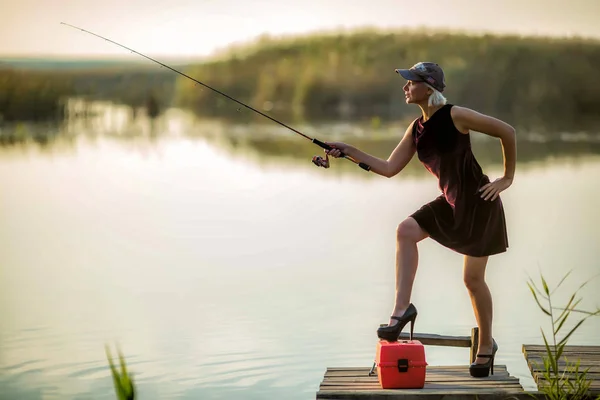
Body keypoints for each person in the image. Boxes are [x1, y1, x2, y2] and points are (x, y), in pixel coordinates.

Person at [323, 62, 516, 378]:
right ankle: (401, 311)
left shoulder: (455, 115)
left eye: (411, 82)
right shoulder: (416, 129)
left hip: (479, 203)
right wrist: (347, 150)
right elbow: (388, 167)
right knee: (406, 230)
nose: (405, 87)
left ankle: (486, 345)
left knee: (472, 280)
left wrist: (506, 178)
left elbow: (507, 131)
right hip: (450, 203)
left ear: (429, 87)